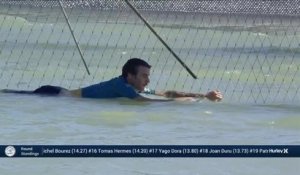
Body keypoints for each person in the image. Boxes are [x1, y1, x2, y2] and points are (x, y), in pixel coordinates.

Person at [1, 58, 223, 102]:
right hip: (54, 95)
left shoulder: (129, 87)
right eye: (144, 75)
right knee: (11, 96)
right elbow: (147, 103)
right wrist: (183, 104)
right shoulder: (122, 86)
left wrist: (202, 95)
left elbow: (165, 93)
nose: (147, 80)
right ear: (130, 76)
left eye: (148, 76)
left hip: (58, 95)